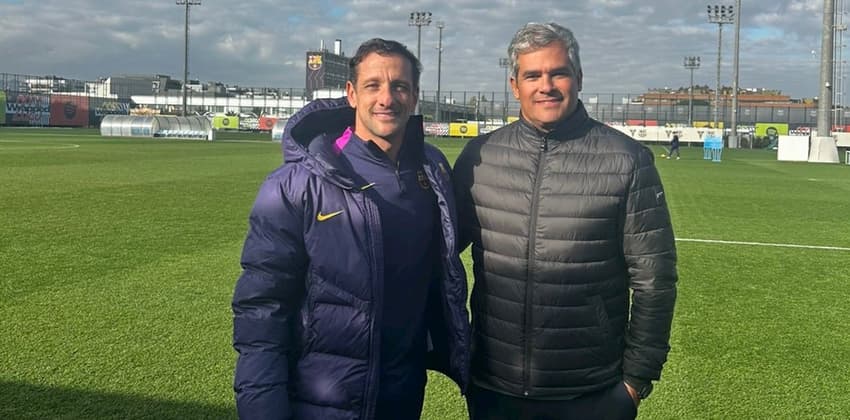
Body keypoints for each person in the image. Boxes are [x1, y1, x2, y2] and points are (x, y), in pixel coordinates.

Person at [232, 38, 470, 420]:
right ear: (351, 94)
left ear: (414, 97)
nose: (386, 98)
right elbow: (262, 308)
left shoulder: (433, 170)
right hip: (321, 400)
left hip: (403, 395)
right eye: (373, 85)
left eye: (400, 86)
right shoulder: (295, 184)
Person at [453, 22, 678, 420]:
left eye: (558, 72)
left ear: (578, 78)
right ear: (514, 84)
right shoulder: (480, 156)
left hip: (591, 394)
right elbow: (438, 252)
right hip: (493, 389)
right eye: (533, 75)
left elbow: (654, 280)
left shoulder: (626, 160)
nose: (546, 86)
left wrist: (635, 382)